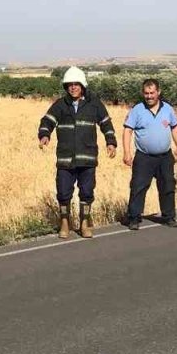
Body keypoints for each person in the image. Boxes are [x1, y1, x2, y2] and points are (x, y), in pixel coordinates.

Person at [38, 66, 117, 239]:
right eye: (69, 84)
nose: (73, 87)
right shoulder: (60, 105)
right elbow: (47, 121)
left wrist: (111, 142)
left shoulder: (94, 104)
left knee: (87, 192)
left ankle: (84, 223)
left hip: (87, 158)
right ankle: (65, 222)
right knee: (63, 192)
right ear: (66, 87)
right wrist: (44, 135)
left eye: (76, 84)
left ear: (83, 85)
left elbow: (106, 124)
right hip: (65, 159)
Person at [122, 78, 177, 230]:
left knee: (168, 186)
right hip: (144, 157)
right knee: (138, 187)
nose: (149, 96)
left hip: (165, 156)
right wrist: (127, 152)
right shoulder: (137, 110)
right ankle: (134, 218)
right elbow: (127, 131)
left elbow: (175, 128)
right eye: (146, 93)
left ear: (158, 92)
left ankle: (169, 217)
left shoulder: (168, 109)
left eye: (152, 93)